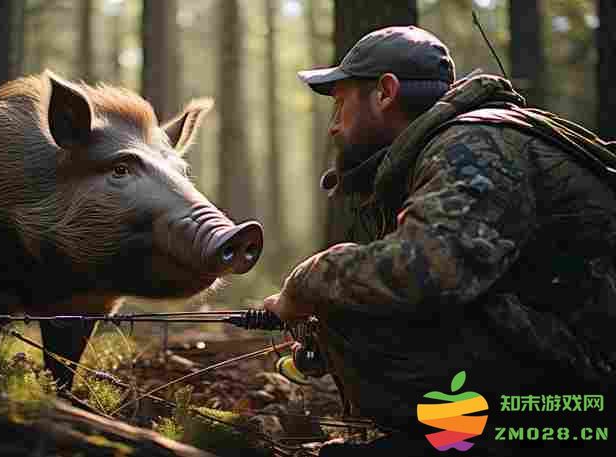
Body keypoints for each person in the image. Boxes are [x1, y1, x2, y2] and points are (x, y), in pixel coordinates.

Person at [263, 25, 615, 456]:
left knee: (355, 304)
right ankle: (453, 439)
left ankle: (474, 443)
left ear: (385, 92)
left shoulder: (469, 143)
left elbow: (430, 270)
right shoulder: (456, 144)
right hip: (578, 366)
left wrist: (310, 282)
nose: (334, 127)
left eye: (339, 104)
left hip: (588, 395)